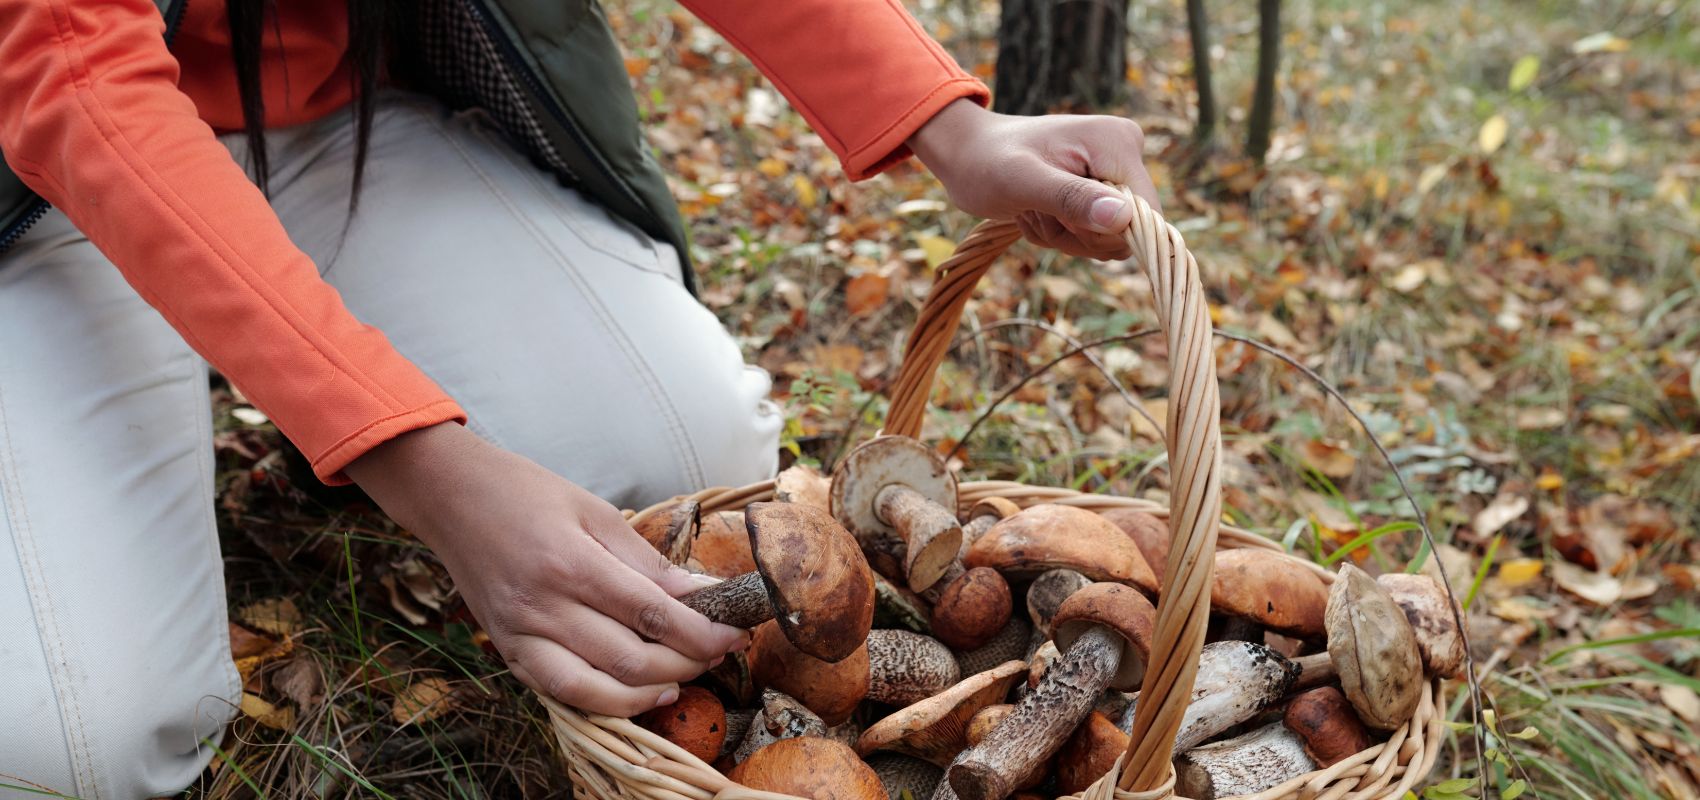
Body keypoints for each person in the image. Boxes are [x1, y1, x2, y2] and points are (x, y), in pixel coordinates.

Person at [0, 0, 1159, 796]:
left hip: (340, 116)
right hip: (31, 168)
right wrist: (422, 463)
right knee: (71, 742)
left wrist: (943, 124)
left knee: (681, 458)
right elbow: (70, 62)